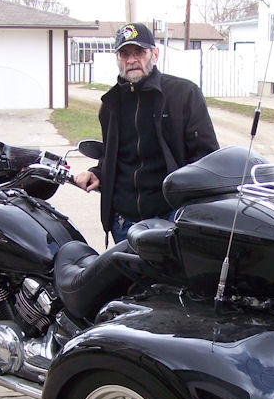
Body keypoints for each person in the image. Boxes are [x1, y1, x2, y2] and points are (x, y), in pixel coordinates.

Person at [74, 22, 220, 244]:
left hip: (170, 220)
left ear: (155, 53)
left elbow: (207, 158)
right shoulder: (111, 104)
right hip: (123, 223)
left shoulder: (183, 94)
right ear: (118, 59)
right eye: (124, 54)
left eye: (139, 52)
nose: (132, 60)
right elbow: (115, 157)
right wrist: (98, 173)